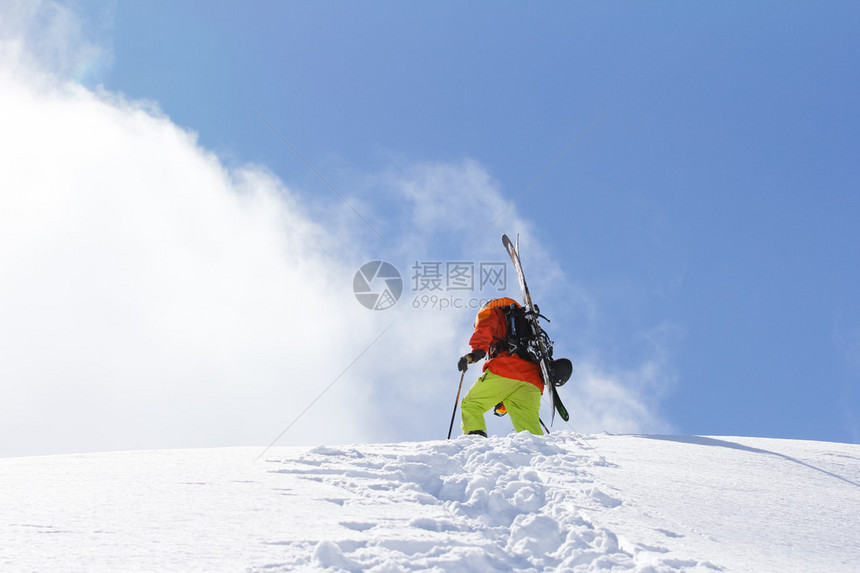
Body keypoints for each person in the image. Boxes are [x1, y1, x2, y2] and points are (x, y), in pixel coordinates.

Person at [457, 297, 544, 437]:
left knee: (471, 404)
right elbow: (511, 390)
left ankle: (475, 443)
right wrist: (501, 403)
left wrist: (474, 354)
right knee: (529, 428)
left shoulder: (489, 309)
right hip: (532, 379)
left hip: (506, 368)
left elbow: (484, 329)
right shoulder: (523, 321)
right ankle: (541, 454)